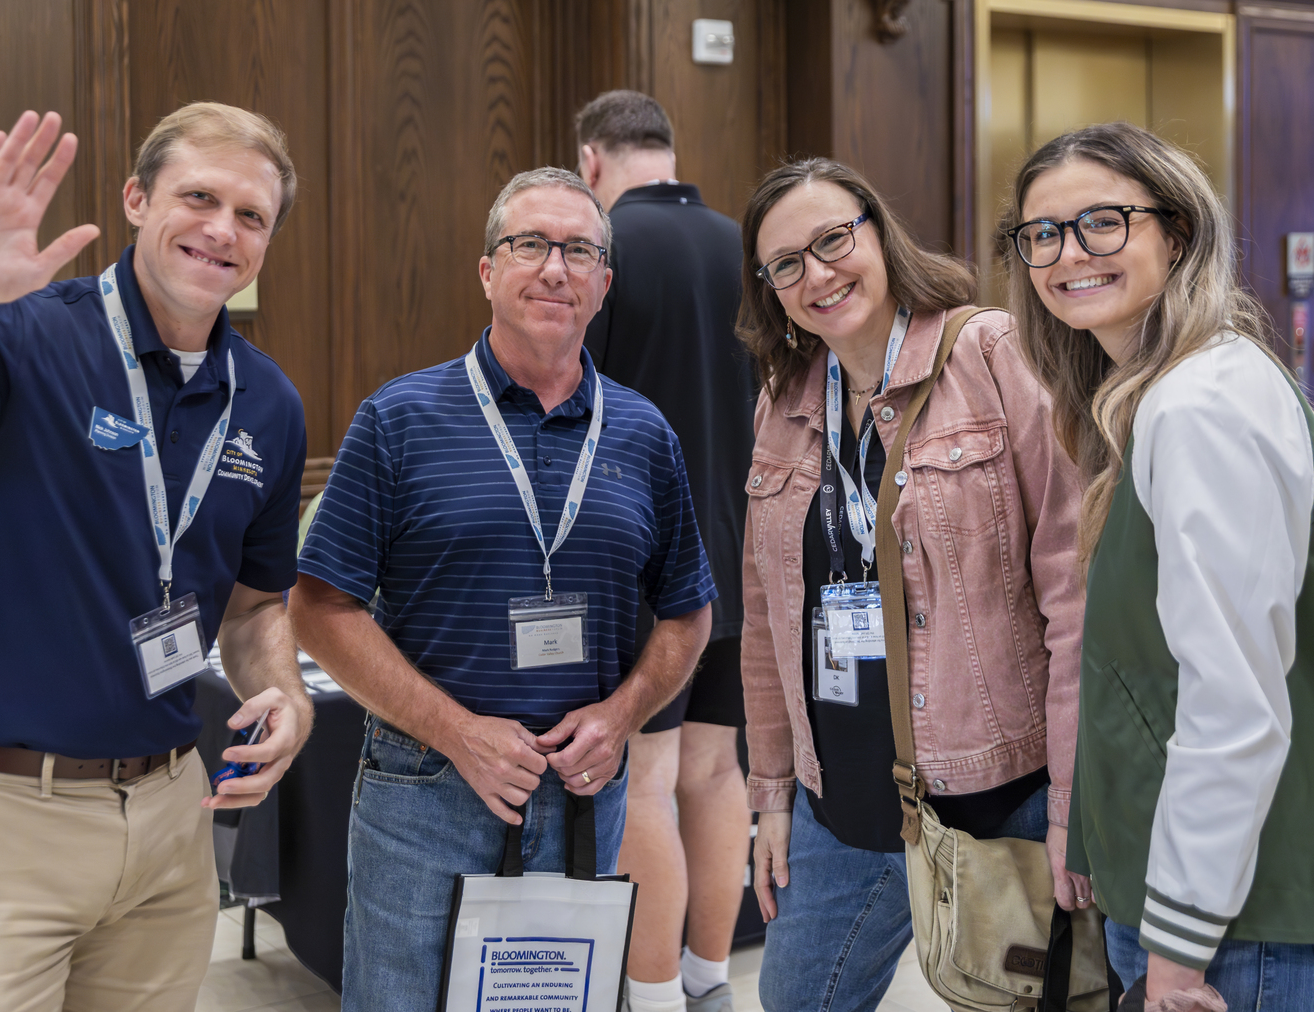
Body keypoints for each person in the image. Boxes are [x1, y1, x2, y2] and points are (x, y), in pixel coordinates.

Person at [0, 102, 314, 1010]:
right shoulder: (19, 335)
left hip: (167, 817)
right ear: (135, 200)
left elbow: (254, 608)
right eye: (198, 196)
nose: (221, 230)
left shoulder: (266, 402)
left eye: (251, 216)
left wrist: (287, 691)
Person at [288, 166, 717, 1012]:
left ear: (603, 283)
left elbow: (688, 610)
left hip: (584, 789)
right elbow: (318, 608)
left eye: (580, 251)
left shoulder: (642, 430)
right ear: (488, 272)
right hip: (425, 794)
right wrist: (457, 731)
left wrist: (622, 715)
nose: (555, 268)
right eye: (530, 245)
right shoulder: (399, 418)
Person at [1002, 120, 1314, 1011]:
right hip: (1216, 902)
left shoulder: (1202, 404)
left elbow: (1233, 703)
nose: (1069, 253)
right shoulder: (1154, 397)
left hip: (1250, 924)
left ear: (1176, 233)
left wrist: (1178, 947)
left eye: (1104, 221)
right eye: (1043, 234)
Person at [736, 157, 1086, 1012]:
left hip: (1003, 794)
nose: (817, 275)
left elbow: (1077, 595)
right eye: (787, 264)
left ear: (877, 231)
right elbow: (764, 618)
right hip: (841, 803)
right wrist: (772, 796)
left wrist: (1078, 806)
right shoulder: (783, 398)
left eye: (832, 241)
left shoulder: (990, 352)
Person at [576, 90, 753, 1012]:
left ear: (590, 165)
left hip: (643, 570)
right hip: (747, 557)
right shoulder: (748, 246)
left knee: (645, 781)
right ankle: (709, 981)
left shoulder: (599, 250)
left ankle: (647, 998)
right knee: (717, 771)